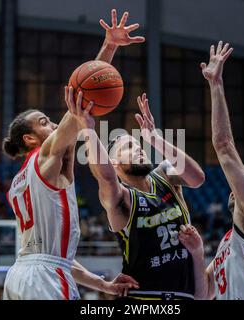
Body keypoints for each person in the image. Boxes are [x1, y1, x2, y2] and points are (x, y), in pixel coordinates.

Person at [2, 9, 143, 300]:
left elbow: (57, 257)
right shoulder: (45, 157)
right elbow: (86, 94)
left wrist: (103, 285)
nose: (52, 124)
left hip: (20, 275)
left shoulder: (19, 183)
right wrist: (109, 48)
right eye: (43, 123)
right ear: (29, 139)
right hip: (45, 279)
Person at [72, 87, 205, 300]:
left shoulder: (165, 175)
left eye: (138, 144)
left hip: (184, 295)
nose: (139, 148)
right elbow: (106, 178)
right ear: (114, 163)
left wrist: (155, 138)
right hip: (144, 297)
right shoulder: (122, 198)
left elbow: (197, 178)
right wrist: (88, 129)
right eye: (128, 147)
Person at [178, 41, 244, 300]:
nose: (238, 186)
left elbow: (224, 146)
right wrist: (197, 253)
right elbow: (203, 294)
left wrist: (216, 85)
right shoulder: (229, 242)